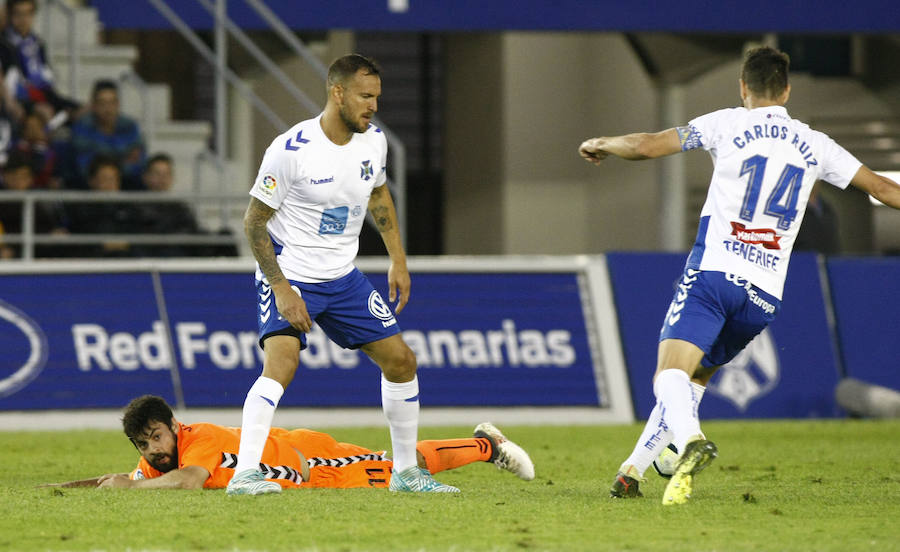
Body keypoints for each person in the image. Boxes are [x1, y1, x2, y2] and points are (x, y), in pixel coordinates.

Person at [578, 46, 900, 506]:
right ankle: (633, 471)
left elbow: (648, 145)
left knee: (669, 374)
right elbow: (885, 189)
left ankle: (689, 440)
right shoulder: (816, 143)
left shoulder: (726, 122)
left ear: (743, 87)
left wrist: (604, 143)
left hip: (715, 275)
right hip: (763, 298)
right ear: (786, 90)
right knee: (693, 382)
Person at [229, 53, 450, 496]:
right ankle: (244, 474)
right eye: (365, 97)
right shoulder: (290, 150)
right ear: (338, 93)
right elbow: (254, 223)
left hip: (343, 278)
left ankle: (406, 473)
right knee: (282, 364)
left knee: (402, 360)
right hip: (291, 274)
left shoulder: (374, 142)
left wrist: (398, 258)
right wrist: (281, 287)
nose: (373, 107)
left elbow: (379, 195)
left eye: (377, 98)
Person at [42, 395, 534, 490]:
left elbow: (189, 481)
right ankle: (482, 445)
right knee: (395, 470)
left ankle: (485, 444)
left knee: (397, 470)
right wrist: (64, 487)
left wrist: (130, 490)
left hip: (308, 457)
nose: (151, 450)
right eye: (142, 445)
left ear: (173, 424)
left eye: (154, 436)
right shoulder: (159, 464)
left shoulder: (199, 442)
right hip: (300, 473)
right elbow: (124, 479)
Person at [0, 0, 79, 126]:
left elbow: (45, 78)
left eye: (27, 14)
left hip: (42, 93)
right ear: (10, 15)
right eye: (18, 14)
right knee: (44, 112)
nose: (23, 19)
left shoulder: (38, 44)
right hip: (19, 98)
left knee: (81, 110)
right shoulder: (4, 44)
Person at [70, 79, 145, 190]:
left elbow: (139, 164)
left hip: (126, 183)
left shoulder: (129, 126)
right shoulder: (82, 126)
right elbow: (85, 168)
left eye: (112, 103)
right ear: (93, 105)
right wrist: (121, 155)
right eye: (102, 103)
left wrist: (99, 151)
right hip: (90, 187)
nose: (108, 109)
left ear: (118, 104)